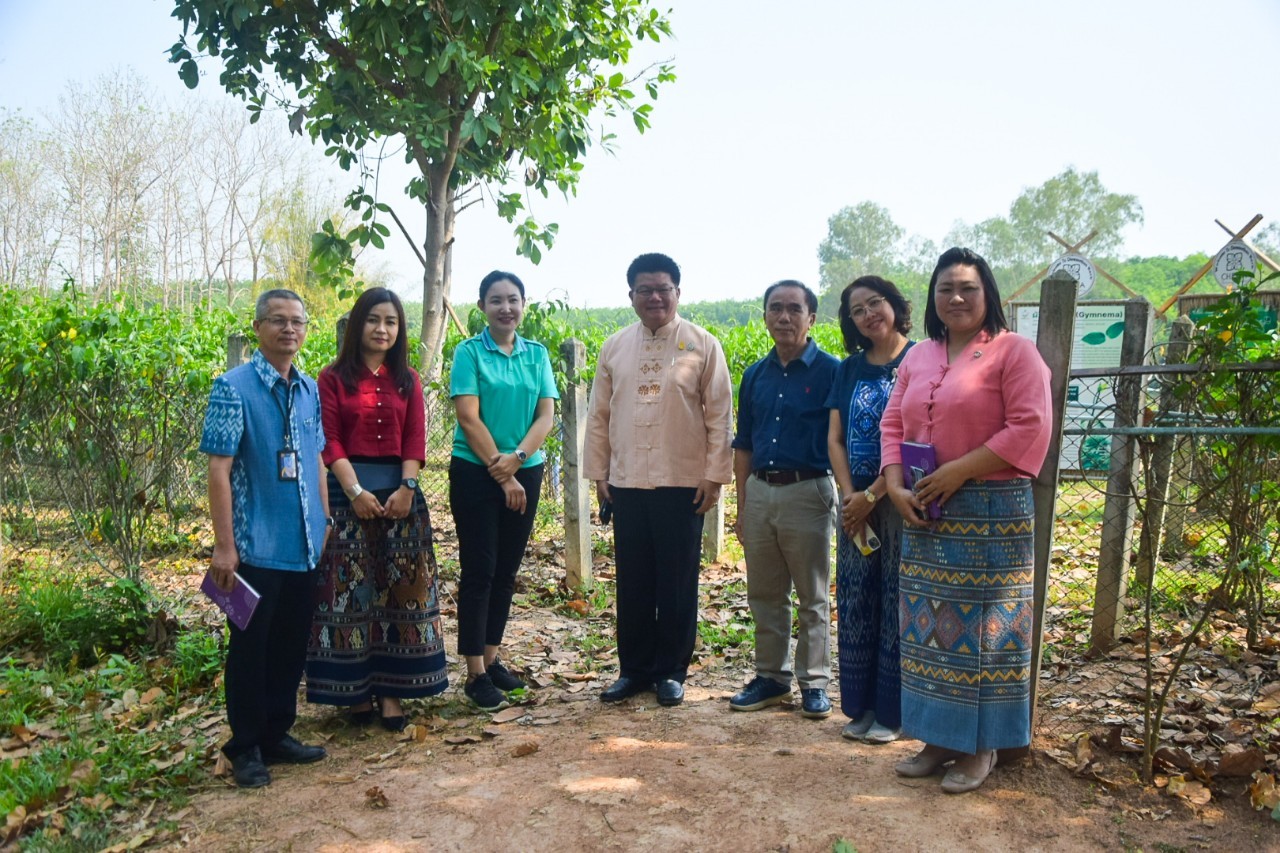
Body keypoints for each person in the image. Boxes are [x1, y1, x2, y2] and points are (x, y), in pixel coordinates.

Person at [880, 247, 1051, 794]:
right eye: (945, 288)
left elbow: (1029, 426)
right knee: (929, 629)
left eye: (968, 288)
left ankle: (981, 748)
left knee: (986, 633)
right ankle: (937, 739)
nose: (956, 297)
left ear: (988, 294)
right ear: (933, 297)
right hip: (926, 510)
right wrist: (894, 486)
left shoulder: (1014, 351)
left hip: (992, 513)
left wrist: (957, 472)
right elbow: (892, 423)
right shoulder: (918, 356)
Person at [583, 252, 733, 707]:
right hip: (627, 481)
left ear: (677, 293)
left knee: (677, 580)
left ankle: (671, 671)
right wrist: (599, 473)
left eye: (663, 289)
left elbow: (720, 415)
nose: (654, 297)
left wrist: (714, 476)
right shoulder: (614, 347)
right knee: (632, 580)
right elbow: (599, 415)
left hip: (682, 481)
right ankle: (633, 670)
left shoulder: (702, 345)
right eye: (644, 290)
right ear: (631, 295)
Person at [200, 288, 330, 788]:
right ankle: (246, 745)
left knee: (290, 645)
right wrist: (224, 545)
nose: (289, 329)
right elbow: (219, 469)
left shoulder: (309, 389)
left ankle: (277, 733)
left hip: (303, 544)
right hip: (255, 546)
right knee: (250, 648)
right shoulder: (232, 388)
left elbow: (316, 458)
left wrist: (324, 522)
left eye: (297, 321)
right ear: (258, 328)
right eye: (278, 320)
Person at [305, 287, 448, 732]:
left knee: (400, 594)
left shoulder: (408, 380)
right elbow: (329, 440)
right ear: (357, 325)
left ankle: (391, 692)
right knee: (350, 597)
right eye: (373, 320)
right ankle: (354, 692)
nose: (382, 329)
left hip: (400, 499)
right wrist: (354, 492)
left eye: (390, 321)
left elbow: (414, 439)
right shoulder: (332, 378)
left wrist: (407, 488)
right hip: (348, 496)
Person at [729, 280, 840, 720]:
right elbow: (743, 444)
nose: (784, 317)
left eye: (794, 309)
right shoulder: (755, 375)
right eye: (775, 308)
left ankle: (814, 682)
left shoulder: (831, 372)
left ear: (811, 318)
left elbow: (840, 440)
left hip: (808, 490)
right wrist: (742, 505)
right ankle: (771, 678)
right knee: (765, 593)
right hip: (760, 490)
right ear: (765, 317)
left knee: (813, 594)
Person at [449, 271, 559, 712]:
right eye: (496, 300)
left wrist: (518, 459)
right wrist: (503, 470)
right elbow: (468, 417)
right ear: (482, 307)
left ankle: (492, 659)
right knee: (480, 569)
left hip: (525, 470)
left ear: (523, 306)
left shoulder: (537, 354)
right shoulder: (468, 352)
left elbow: (546, 416)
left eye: (513, 299)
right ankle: (474, 673)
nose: (506, 308)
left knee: (506, 571)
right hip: (476, 472)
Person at [825, 276, 914, 744]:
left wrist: (873, 495)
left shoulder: (920, 359)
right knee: (857, 599)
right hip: (855, 506)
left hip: (900, 499)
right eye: (856, 310)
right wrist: (849, 495)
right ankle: (861, 706)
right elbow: (835, 438)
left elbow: (915, 436)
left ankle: (893, 713)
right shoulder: (848, 369)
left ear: (894, 305)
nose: (867, 315)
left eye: (874, 303)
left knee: (897, 601)